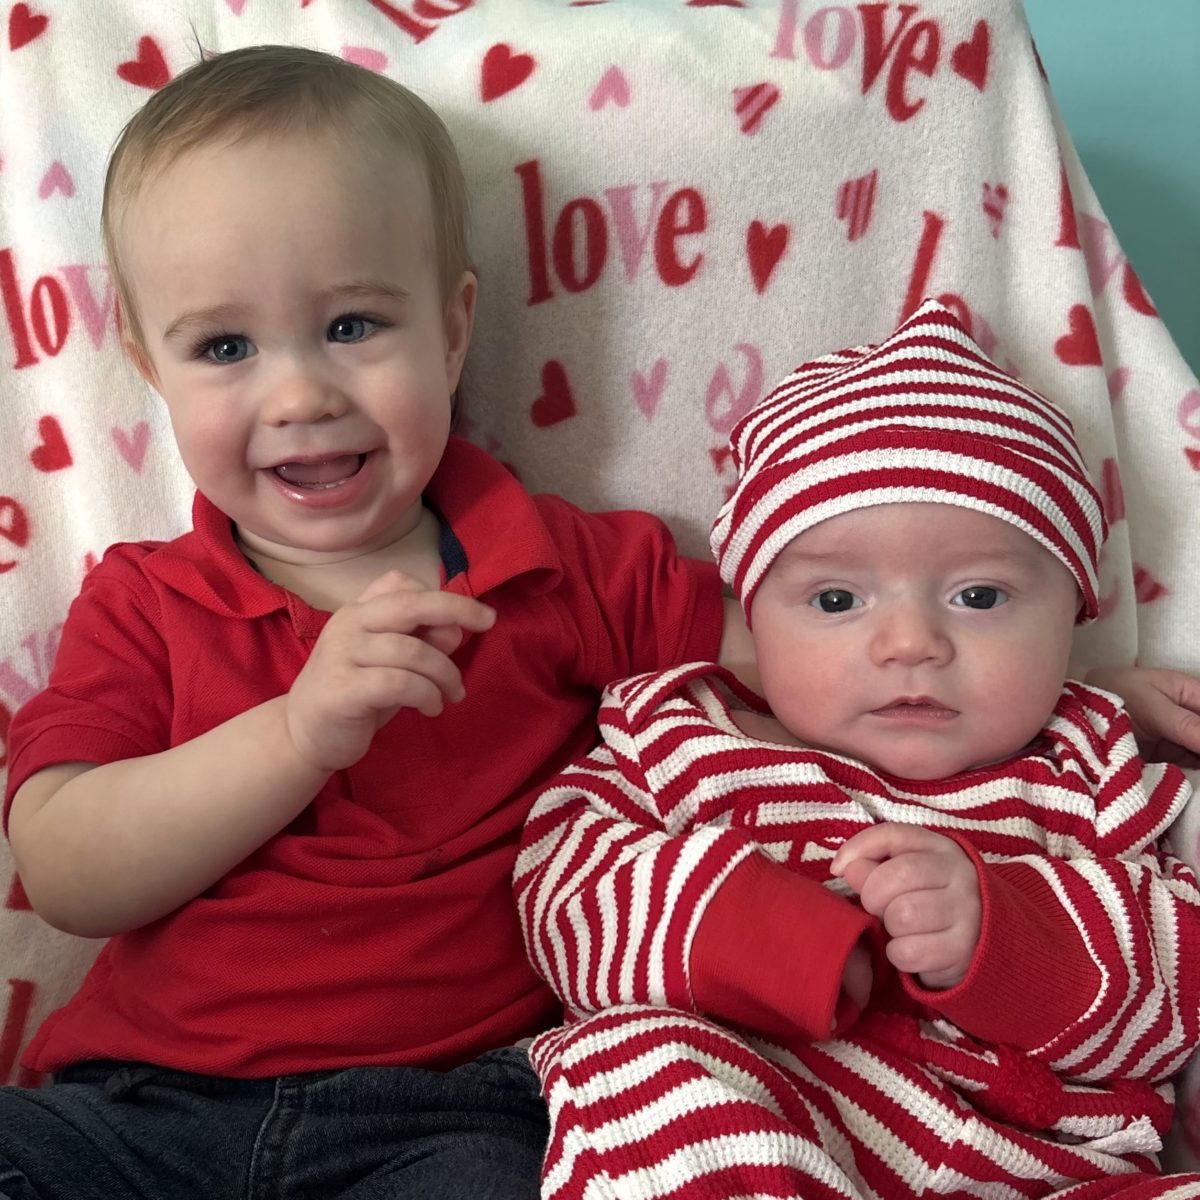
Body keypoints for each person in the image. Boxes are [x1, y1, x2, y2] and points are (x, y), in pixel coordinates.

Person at [0, 45, 737, 1200]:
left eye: (352, 325)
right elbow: (66, 871)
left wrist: (1064, 691)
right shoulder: (142, 601)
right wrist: (295, 736)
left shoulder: (560, 565)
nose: (300, 395)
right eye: (226, 348)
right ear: (148, 368)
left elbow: (811, 649)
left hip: (452, 1114)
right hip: (145, 1108)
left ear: (451, 333)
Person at [514, 300, 1200, 1199]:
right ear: (750, 614)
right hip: (777, 1128)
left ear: (1072, 614)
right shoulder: (678, 735)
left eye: (981, 597)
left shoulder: (1096, 764)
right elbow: (565, 897)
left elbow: (1178, 987)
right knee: (633, 1065)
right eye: (837, 602)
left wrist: (1003, 934)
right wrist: (775, 936)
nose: (909, 642)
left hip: (1053, 1168)